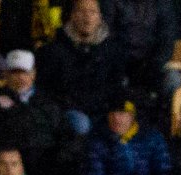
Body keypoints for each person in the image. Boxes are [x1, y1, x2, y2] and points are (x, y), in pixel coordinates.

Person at [0, 50, 73, 175]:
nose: (21, 77)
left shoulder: (49, 101)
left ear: (33, 74)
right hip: (9, 167)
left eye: (25, 72)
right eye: (15, 72)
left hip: (47, 166)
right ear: (6, 74)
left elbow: (64, 134)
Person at [36, 0, 127, 138]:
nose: (87, 17)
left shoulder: (112, 50)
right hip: (69, 113)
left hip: (103, 110)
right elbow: (47, 91)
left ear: (100, 17)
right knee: (81, 123)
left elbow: (116, 86)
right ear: (72, 15)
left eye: (92, 12)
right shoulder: (53, 50)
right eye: (81, 11)